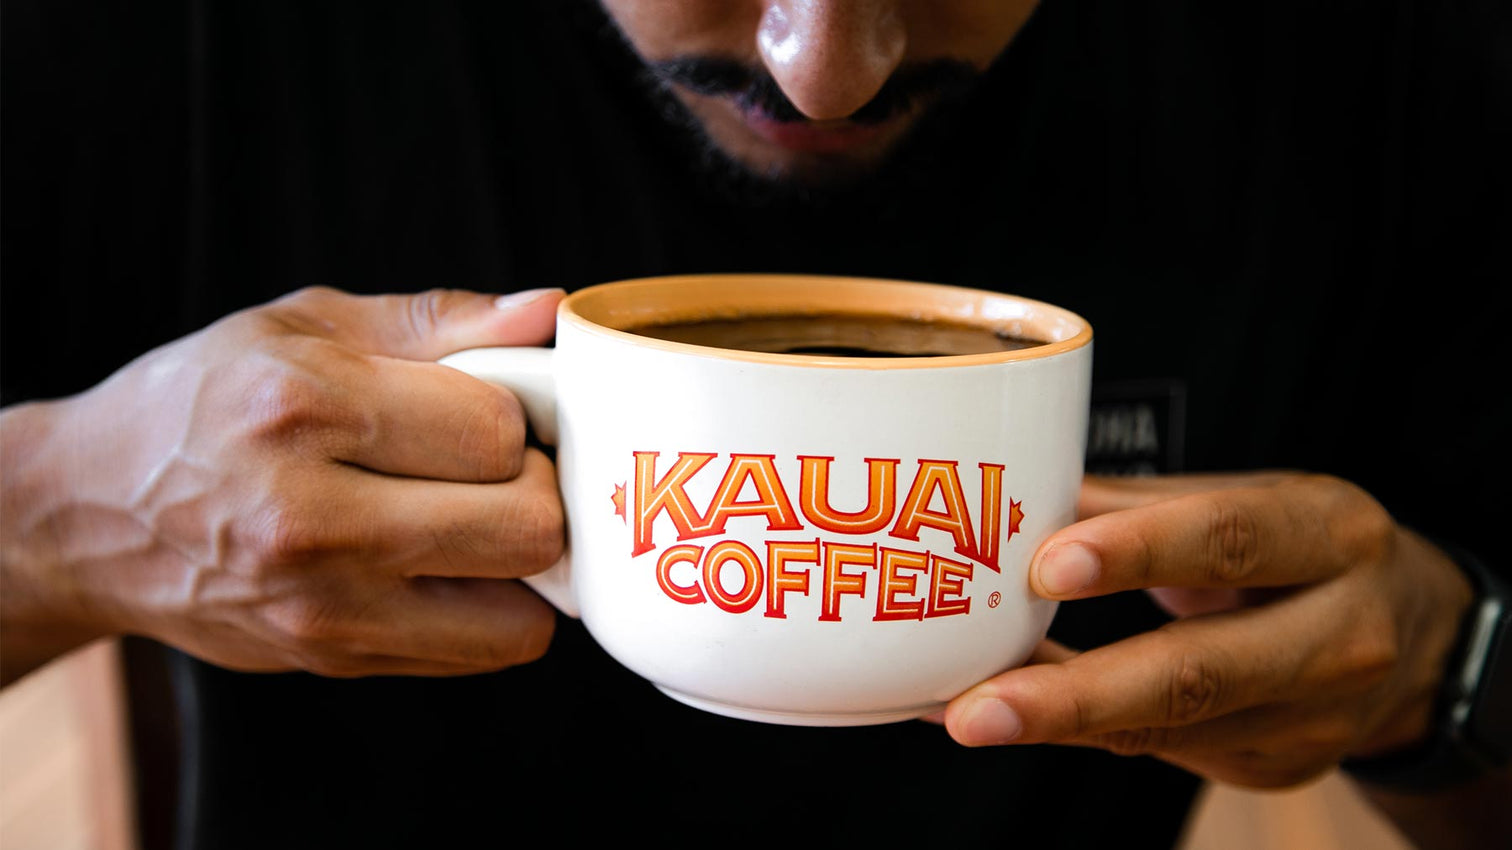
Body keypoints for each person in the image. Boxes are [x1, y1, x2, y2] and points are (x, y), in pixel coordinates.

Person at [3, 1, 1508, 848]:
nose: (823, 67)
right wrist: (58, 518)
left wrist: (1446, 678)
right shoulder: (158, 47)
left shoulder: (1380, 68)